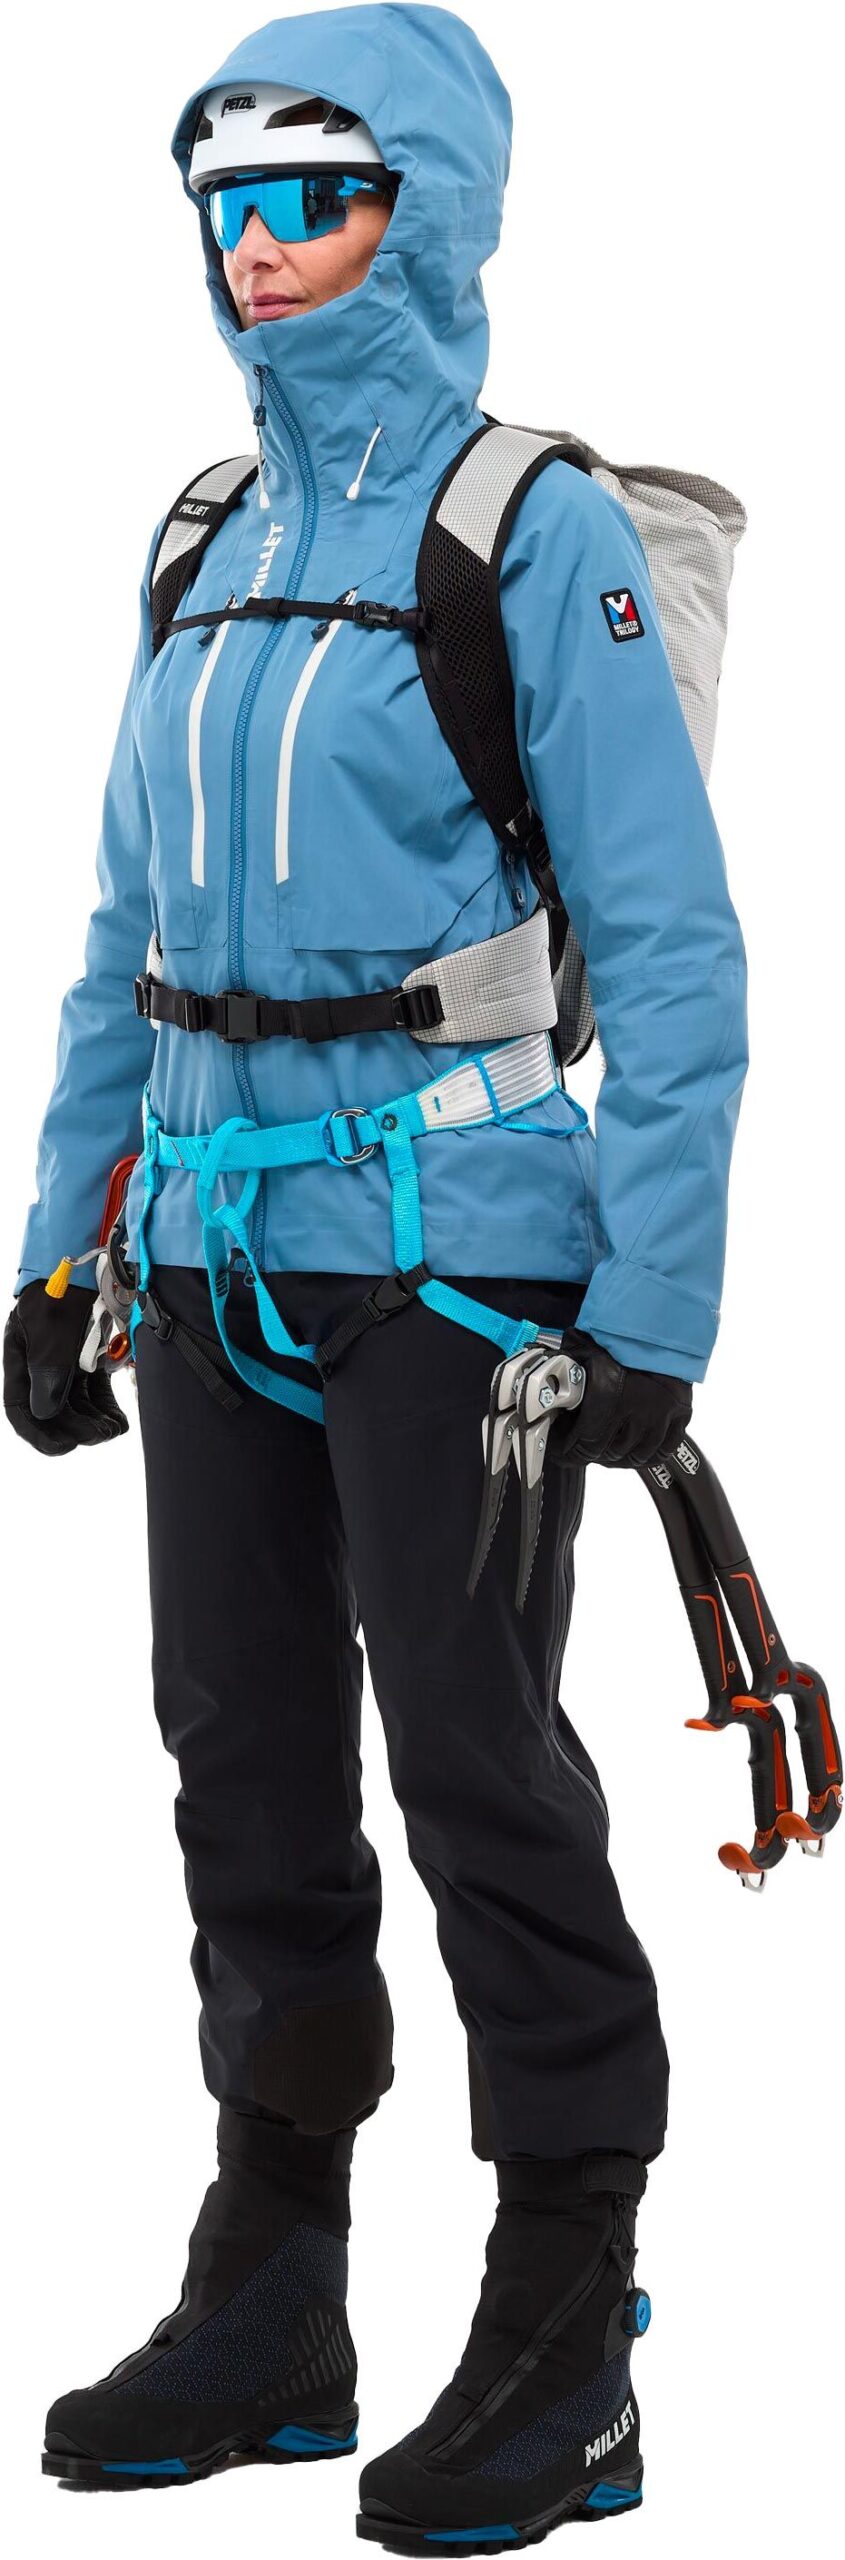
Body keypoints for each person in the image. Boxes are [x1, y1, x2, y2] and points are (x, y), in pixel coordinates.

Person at [4, 4, 748, 2542]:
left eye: (314, 193)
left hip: (460, 1256)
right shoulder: (199, 538)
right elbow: (123, 935)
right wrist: (64, 1241)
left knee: (476, 1761)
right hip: (213, 1248)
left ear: (421, 211)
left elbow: (675, 944)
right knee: (238, 1753)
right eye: (225, 200)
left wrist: (653, 1306)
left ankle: (570, 2308)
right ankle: (277, 2277)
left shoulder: (531, 527)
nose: (260, 242)